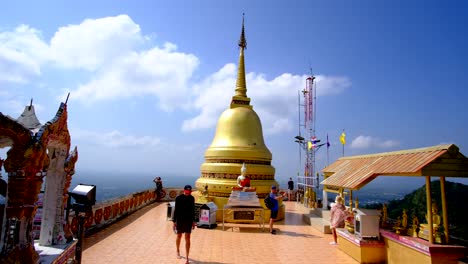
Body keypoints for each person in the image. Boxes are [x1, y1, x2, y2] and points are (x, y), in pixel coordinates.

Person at [172, 185, 196, 263]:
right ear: (184, 190)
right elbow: (176, 210)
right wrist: (174, 221)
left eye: (190, 191)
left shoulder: (192, 198)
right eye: (187, 191)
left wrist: (193, 221)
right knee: (179, 236)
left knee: (188, 237)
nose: (189, 192)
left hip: (188, 220)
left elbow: (193, 210)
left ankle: (187, 257)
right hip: (180, 220)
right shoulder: (178, 198)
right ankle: (178, 251)